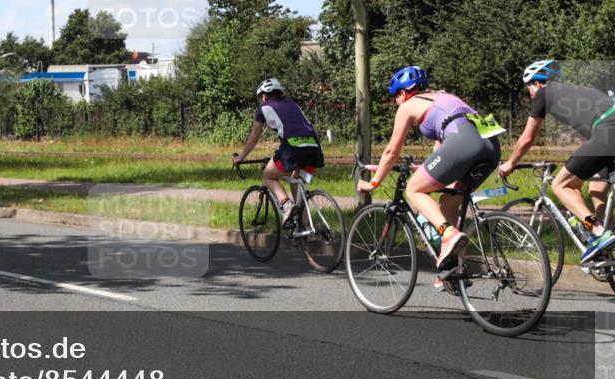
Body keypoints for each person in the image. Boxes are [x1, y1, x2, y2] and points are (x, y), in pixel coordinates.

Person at [357, 66, 503, 280]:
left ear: (403, 93)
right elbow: (442, 146)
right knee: (448, 201)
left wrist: (375, 182)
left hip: (464, 142)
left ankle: (448, 233)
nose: (395, 101)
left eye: (395, 96)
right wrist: (427, 167)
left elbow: (391, 151)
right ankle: (453, 267)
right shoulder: (443, 96)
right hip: (491, 143)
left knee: (413, 189)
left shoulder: (407, 106)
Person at [498, 60, 615, 264]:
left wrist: (510, 163)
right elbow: (587, 143)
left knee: (559, 184)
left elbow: (527, 138)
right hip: (606, 134)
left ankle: (598, 232)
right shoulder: (576, 92)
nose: (530, 96)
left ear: (537, 83)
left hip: (607, 133)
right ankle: (607, 240)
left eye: (529, 90)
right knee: (596, 189)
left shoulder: (544, 94)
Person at [233, 78, 324, 221]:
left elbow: (255, 135)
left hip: (293, 149)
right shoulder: (293, 104)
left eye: (261, 97)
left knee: (269, 175)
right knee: (296, 184)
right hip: (314, 149)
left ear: (264, 95)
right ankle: (305, 229)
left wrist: (241, 157)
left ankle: (286, 205)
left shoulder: (263, 107)